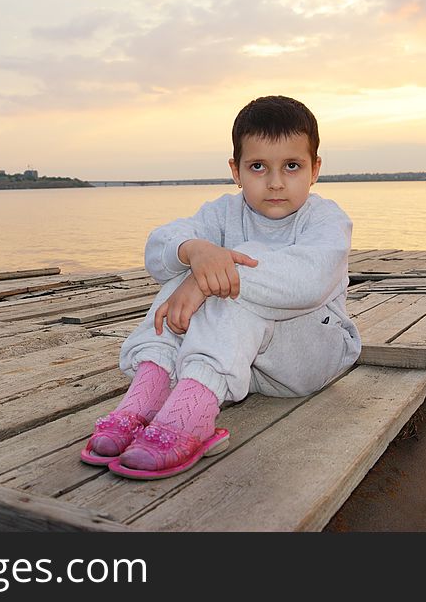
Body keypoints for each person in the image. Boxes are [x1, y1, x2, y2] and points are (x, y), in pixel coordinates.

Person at [81, 95, 361, 480]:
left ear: (314, 169)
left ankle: (188, 420)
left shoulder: (326, 219)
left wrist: (211, 275)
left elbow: (307, 283)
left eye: (291, 166)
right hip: (237, 363)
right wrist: (195, 253)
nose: (275, 182)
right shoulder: (222, 212)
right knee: (188, 267)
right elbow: (160, 243)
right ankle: (148, 393)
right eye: (258, 166)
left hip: (306, 359)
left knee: (227, 271)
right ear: (236, 170)